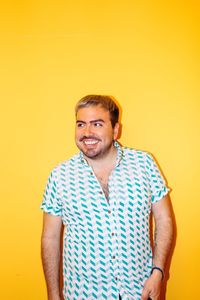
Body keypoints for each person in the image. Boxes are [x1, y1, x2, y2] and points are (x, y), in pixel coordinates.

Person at [41, 95, 173, 300]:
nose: (87, 132)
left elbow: (164, 220)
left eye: (97, 124)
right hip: (82, 294)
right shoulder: (60, 176)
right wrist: (53, 295)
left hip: (140, 292)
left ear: (116, 129)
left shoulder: (144, 164)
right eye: (80, 124)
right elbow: (50, 239)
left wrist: (158, 272)